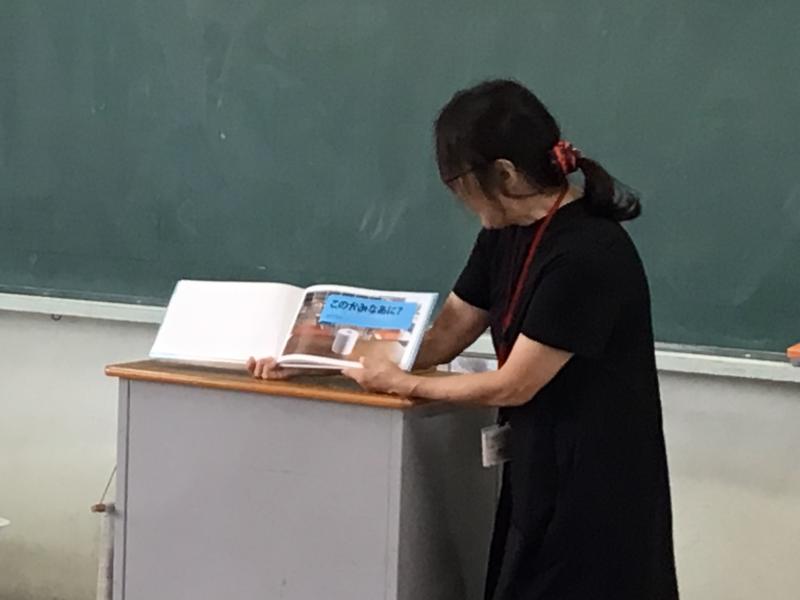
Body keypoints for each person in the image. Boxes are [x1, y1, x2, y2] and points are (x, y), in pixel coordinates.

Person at [249, 79, 679, 600]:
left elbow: (515, 384)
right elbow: (445, 335)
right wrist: (313, 359)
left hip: (597, 483)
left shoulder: (588, 252)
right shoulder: (503, 234)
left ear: (505, 174)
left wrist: (403, 383)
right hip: (537, 472)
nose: (456, 196)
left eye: (460, 181)